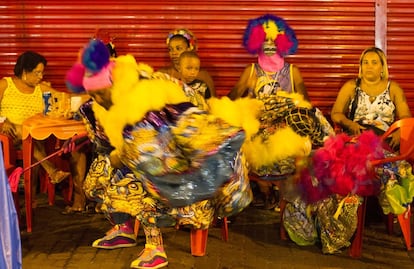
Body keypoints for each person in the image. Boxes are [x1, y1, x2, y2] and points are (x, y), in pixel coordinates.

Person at [66, 39, 251, 269]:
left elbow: (154, 155)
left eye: (101, 93)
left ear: (112, 85)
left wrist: (121, 156)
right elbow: (105, 144)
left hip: (175, 172)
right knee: (94, 183)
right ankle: (124, 228)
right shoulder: (99, 106)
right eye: (93, 95)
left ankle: (155, 248)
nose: (98, 100)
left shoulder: (146, 99)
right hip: (137, 163)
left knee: (132, 189)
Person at [228, 14, 331, 210]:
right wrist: (244, 88)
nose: (269, 45)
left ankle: (286, 197)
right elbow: (232, 99)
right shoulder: (250, 71)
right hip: (257, 130)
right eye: (265, 40)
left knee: (297, 149)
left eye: (273, 40)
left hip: (285, 131)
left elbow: (306, 106)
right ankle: (264, 189)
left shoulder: (293, 72)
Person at [0, 51, 71, 186]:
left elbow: (63, 97)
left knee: (32, 140)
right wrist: (3, 120)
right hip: (6, 133)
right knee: (25, 132)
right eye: (37, 73)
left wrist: (66, 108)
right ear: (25, 71)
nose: (41, 76)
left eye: (42, 73)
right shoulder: (5, 85)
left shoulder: (41, 89)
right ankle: (52, 170)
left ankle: (30, 197)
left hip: (31, 136)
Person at [331, 46, 412, 149]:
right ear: (361, 66)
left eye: (374, 62)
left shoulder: (393, 89)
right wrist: (349, 124)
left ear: (382, 67)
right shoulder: (351, 86)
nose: (369, 66)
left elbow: (406, 116)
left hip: (385, 140)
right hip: (357, 139)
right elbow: (336, 113)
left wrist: (400, 131)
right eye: (365, 62)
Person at [158, 28, 216, 97]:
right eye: (170, 49)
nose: (173, 53)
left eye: (178, 48)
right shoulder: (163, 74)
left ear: (189, 49)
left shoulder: (203, 76)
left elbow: (212, 103)